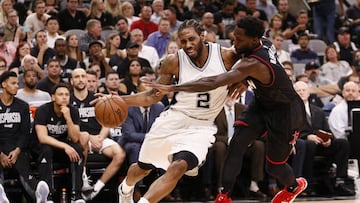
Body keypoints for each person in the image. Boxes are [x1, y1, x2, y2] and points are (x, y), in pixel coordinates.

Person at [148, 16, 308, 203]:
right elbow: (246, 60)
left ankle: (294, 186)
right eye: (234, 37)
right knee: (236, 143)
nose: (235, 42)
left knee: (274, 167)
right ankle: (223, 196)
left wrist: (174, 87)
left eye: (239, 39)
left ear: (253, 39)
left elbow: (214, 81)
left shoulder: (253, 63)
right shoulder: (263, 41)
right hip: (263, 104)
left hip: (286, 113)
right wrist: (245, 81)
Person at [97, 19, 238, 203]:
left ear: (202, 36)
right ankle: (125, 188)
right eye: (183, 41)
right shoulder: (174, 61)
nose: (187, 45)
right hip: (172, 120)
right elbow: (152, 96)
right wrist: (118, 99)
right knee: (143, 168)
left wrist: (243, 80)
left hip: (201, 127)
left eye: (191, 39)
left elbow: (258, 52)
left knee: (177, 167)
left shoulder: (226, 56)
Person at [69, 68, 126, 200]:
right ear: (72, 81)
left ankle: (96, 188)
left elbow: (107, 122)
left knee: (120, 154)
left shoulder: (98, 98)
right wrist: (90, 137)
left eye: (83, 76)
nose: (81, 79)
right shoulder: (68, 99)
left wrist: (100, 137)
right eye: (77, 77)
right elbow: (70, 128)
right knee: (83, 138)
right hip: (79, 139)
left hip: (99, 137)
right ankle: (83, 179)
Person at [294, 81, 354, 196]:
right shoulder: (290, 111)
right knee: (308, 144)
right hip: (304, 144)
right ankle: (308, 184)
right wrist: (307, 136)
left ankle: (340, 181)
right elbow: (289, 131)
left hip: (321, 144)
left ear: (308, 93)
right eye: (298, 91)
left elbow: (327, 130)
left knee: (342, 143)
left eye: (303, 90)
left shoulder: (318, 110)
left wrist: (328, 139)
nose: (301, 92)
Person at [0, 71, 51, 203]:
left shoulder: (22, 106)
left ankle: (39, 195)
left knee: (23, 164)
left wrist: (17, 151)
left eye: (17, 83)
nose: (17, 86)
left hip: (17, 148)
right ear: (4, 84)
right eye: (13, 83)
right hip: (0, 147)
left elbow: (25, 133)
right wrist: (0, 154)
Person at [34, 83, 85, 202]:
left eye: (67, 94)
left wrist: (68, 118)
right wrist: (65, 146)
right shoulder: (43, 110)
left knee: (77, 149)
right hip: (45, 145)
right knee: (45, 149)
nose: (64, 97)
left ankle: (76, 195)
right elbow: (42, 138)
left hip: (63, 146)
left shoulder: (73, 111)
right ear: (53, 97)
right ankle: (48, 196)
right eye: (61, 94)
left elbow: (75, 138)